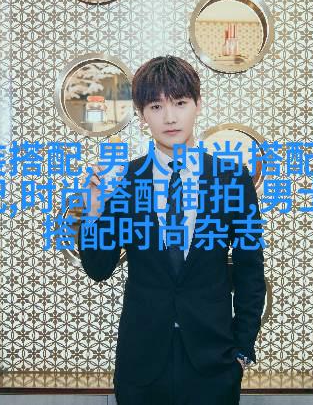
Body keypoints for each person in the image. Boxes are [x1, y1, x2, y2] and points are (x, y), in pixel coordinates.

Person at [78, 55, 266, 405]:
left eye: (179, 103)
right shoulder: (125, 180)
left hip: (213, 365)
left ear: (198, 105)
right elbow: (98, 268)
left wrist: (241, 350)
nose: (169, 117)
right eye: (156, 106)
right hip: (142, 366)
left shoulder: (232, 178)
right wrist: (94, 210)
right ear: (141, 115)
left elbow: (250, 272)